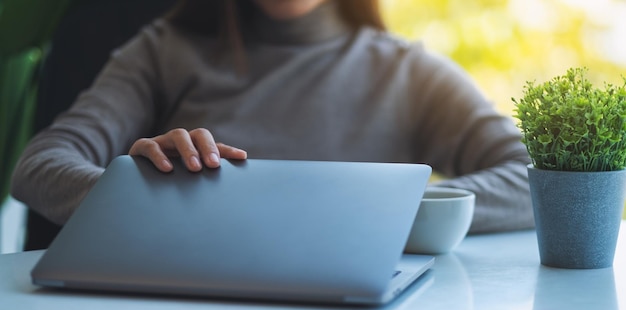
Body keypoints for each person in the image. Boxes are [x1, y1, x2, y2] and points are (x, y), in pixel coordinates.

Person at [10, 0, 534, 236]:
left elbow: (532, 179)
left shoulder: (409, 73)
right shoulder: (163, 51)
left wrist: (385, 211)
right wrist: (141, 196)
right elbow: (37, 166)